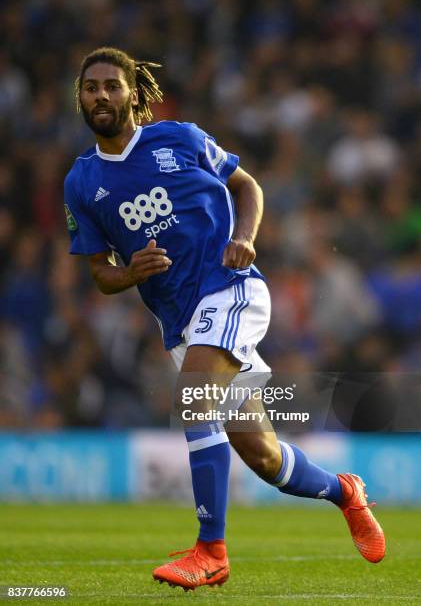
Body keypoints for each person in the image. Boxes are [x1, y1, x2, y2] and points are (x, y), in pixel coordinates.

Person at [64, 47, 385, 591]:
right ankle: (344, 491)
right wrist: (132, 271)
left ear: (133, 95)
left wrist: (244, 238)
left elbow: (248, 186)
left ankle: (210, 550)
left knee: (193, 399)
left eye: (112, 86)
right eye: (91, 87)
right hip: (180, 321)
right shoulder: (81, 182)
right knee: (262, 456)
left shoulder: (179, 139)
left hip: (230, 289)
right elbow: (100, 273)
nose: (101, 95)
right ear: (80, 97)